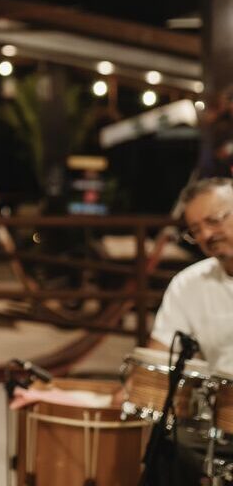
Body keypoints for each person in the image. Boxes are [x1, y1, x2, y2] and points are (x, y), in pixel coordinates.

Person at [145, 177, 233, 485]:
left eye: (214, 221)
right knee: (168, 445)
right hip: (224, 423)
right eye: (195, 230)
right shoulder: (189, 284)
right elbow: (156, 361)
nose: (206, 235)